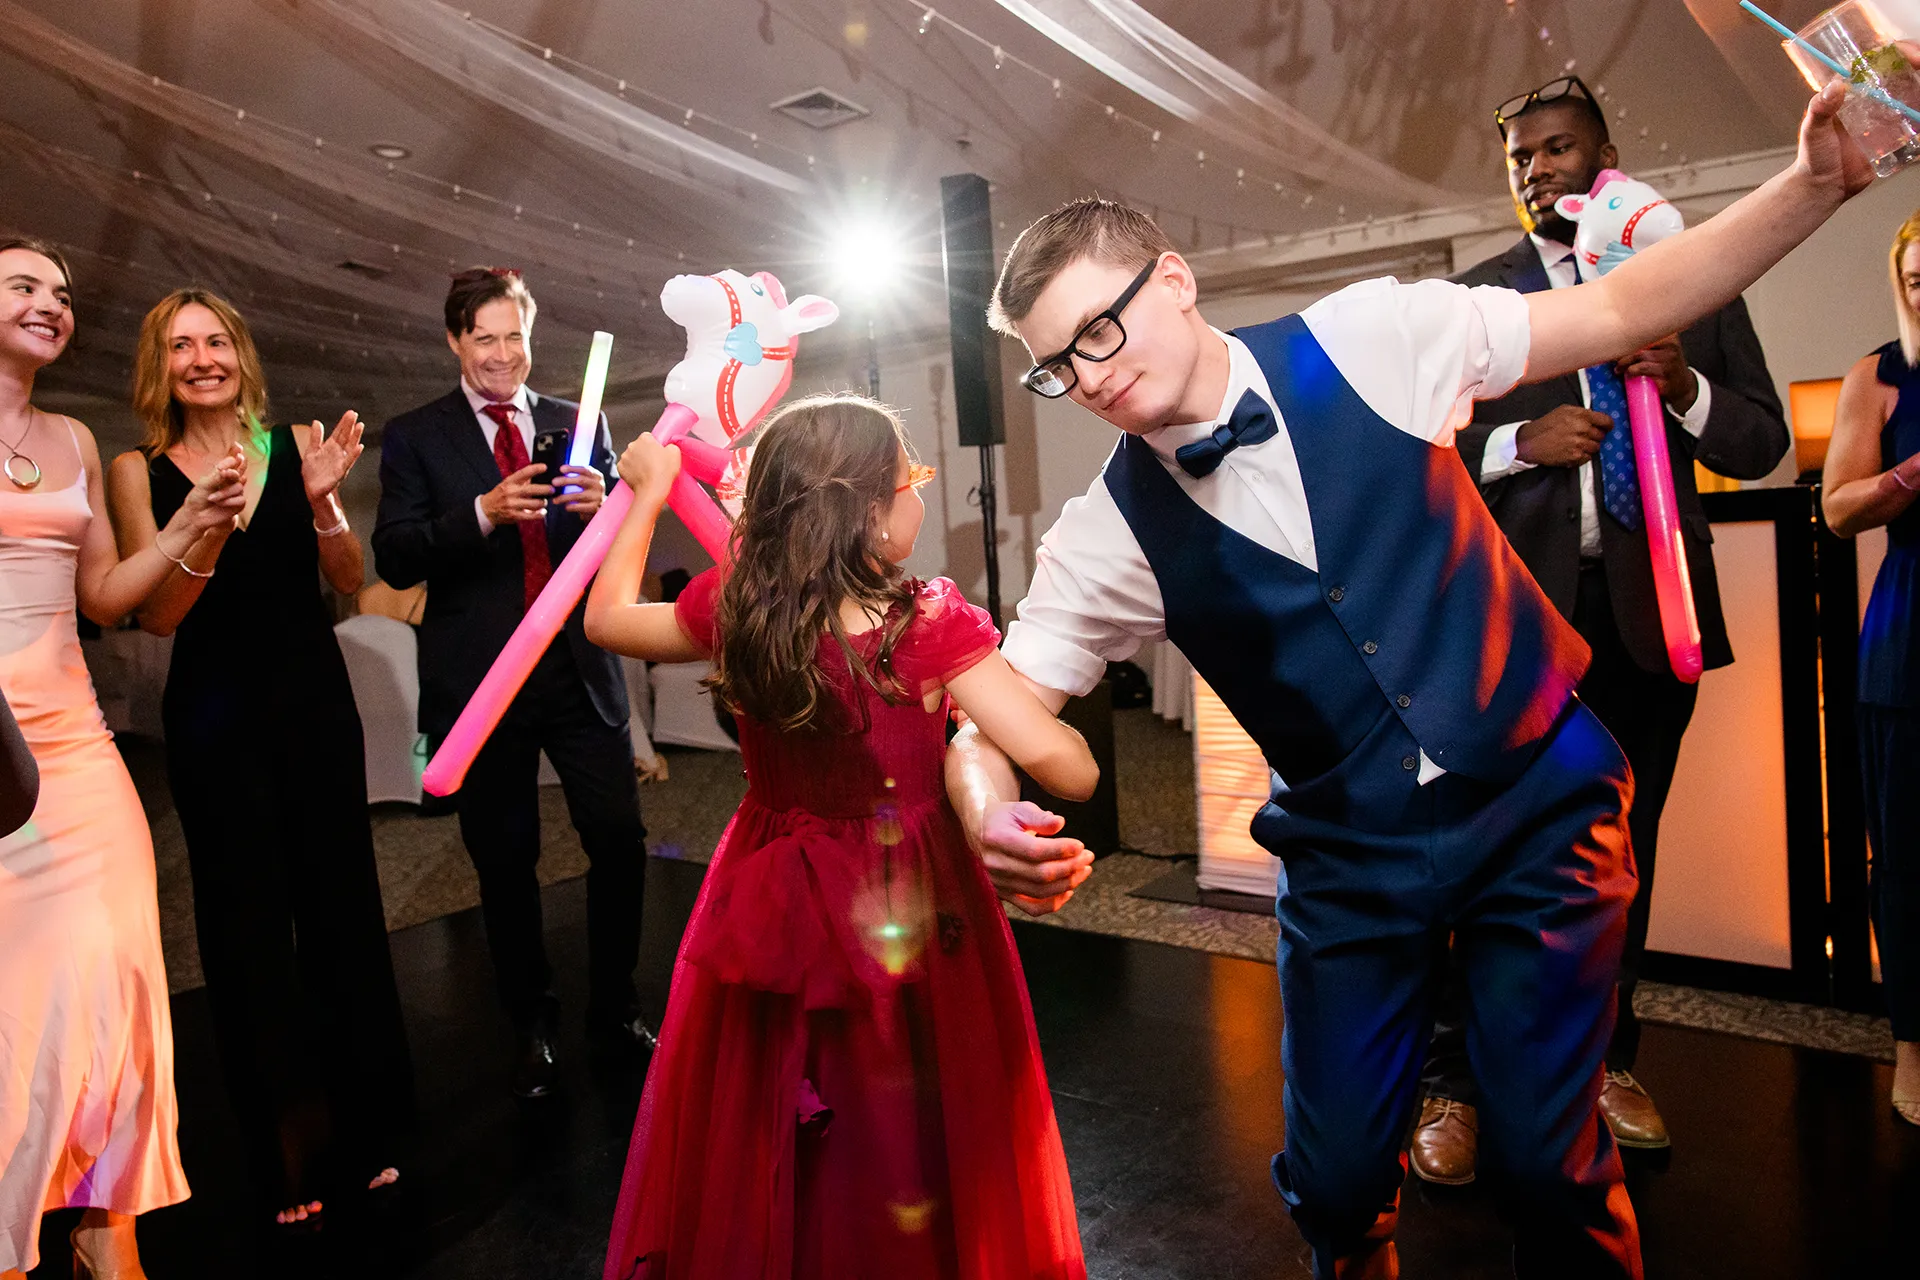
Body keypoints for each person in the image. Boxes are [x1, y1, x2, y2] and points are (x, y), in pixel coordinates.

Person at [950, 82, 1870, 1279]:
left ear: (1172, 279)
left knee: (1551, 1162)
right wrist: (983, 806)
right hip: (1349, 860)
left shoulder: (1373, 335)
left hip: (1538, 805)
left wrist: (1814, 184)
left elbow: (1631, 301)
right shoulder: (1108, 531)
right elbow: (990, 706)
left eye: (1100, 331)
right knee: (1333, 1186)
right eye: (1056, 365)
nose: (1089, 375)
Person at [586, 395, 1093, 1280]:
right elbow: (1064, 765)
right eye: (913, 481)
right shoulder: (929, 624)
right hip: (908, 898)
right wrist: (1066, 734)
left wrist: (648, 495)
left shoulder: (739, 609)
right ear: (866, 509)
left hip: (772, 897)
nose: (920, 498)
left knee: (786, 1105)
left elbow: (605, 621)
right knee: (913, 1104)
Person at [1406, 75, 1794, 1181]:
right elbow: (1417, 458)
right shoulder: (1480, 299)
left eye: (1558, 149)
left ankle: (1606, 1063)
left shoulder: (1692, 282)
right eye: (1521, 158)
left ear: (1606, 154)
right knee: (1481, 858)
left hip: (1644, 623)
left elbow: (1760, 442)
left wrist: (1682, 391)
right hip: (1511, 632)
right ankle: (1456, 1081)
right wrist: (1517, 448)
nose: (1538, 171)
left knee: (1625, 859)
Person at [106, 288, 414, 1226]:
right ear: (160, 367)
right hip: (212, 718)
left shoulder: (294, 446)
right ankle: (290, 1156)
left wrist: (320, 503)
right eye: (181, 345)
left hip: (314, 709)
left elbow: (351, 581)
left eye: (217, 342)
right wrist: (202, 521)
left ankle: (369, 1138)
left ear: (241, 355)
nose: (203, 358)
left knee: (342, 916)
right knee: (246, 937)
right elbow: (154, 614)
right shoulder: (137, 469)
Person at [0, 238, 239, 1278]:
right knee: (14, 1005)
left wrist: (191, 520)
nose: (51, 304)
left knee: (117, 975)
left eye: (60, 293)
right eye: (22, 286)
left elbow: (105, 597)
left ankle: (109, 1228)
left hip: (80, 750)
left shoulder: (75, 437)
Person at [373, 267, 651, 1098]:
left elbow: (613, 545)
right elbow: (395, 554)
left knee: (619, 839)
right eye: (485, 338)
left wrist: (610, 503)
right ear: (456, 341)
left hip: (578, 668)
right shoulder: (417, 434)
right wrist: (484, 512)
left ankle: (617, 1008)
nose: (503, 356)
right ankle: (532, 1023)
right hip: (484, 679)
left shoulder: (578, 421)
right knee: (504, 858)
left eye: (515, 338)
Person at [1821, 207, 1920, 1129]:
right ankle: (1915, 1046)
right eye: (1917, 279)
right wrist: (1909, 476)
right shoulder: (1877, 376)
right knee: (1910, 852)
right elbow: (1839, 511)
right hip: (1911, 630)